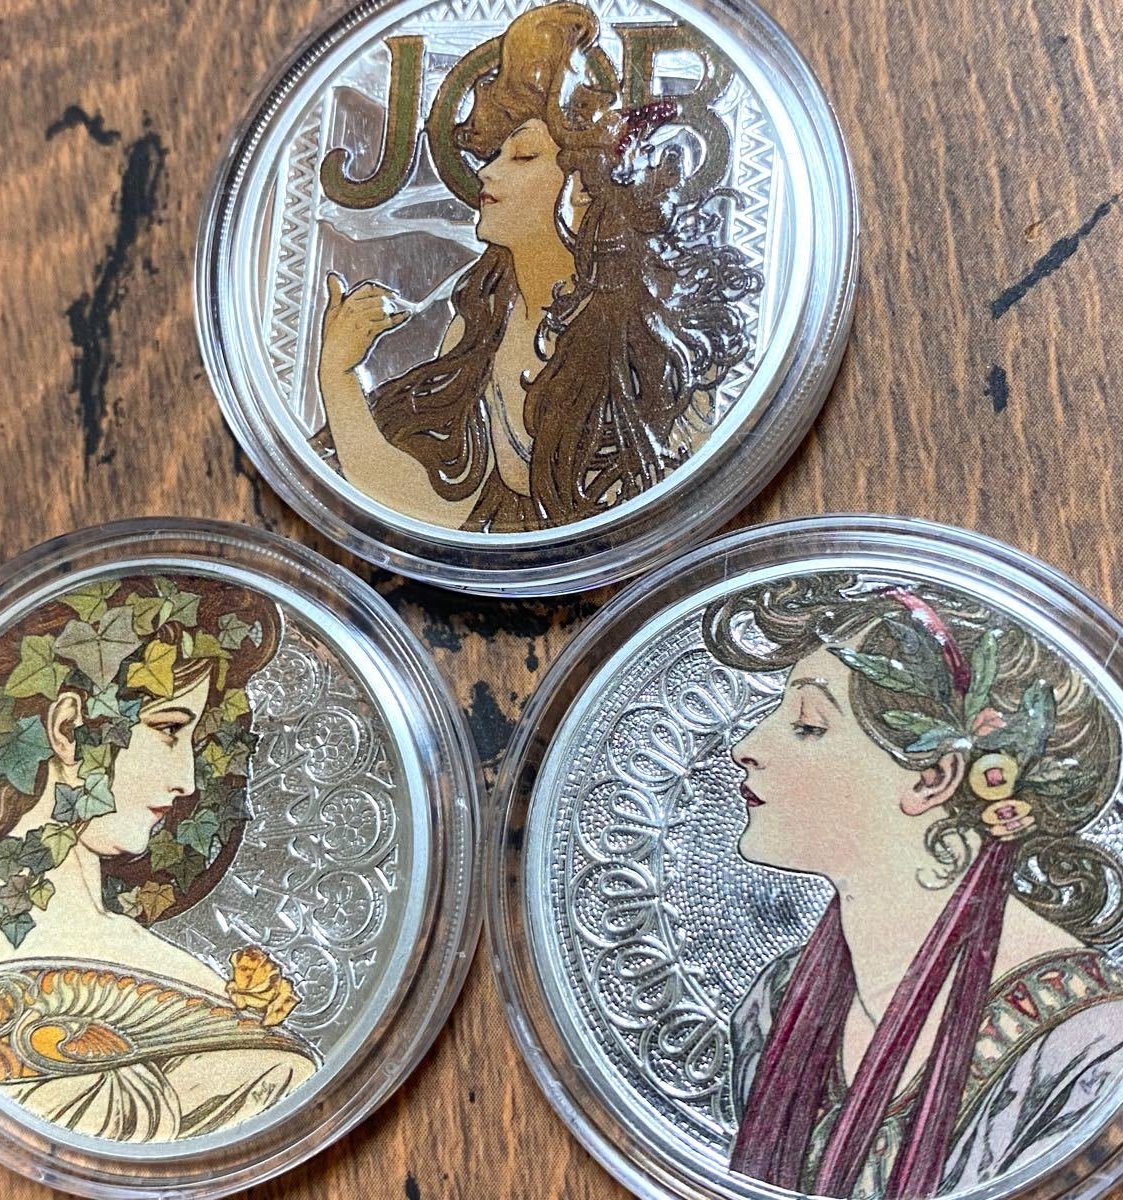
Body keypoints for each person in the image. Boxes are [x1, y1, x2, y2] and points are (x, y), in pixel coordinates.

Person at [703, 574, 1123, 1199]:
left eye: (809, 725)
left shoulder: (1093, 1047)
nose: (746, 747)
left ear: (933, 779)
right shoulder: (775, 1004)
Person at [315, 1, 761, 532]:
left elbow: (662, 504)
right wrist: (338, 374)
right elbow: (437, 510)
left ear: (584, 190)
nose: (487, 174)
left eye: (522, 157)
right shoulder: (483, 320)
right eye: (493, 156)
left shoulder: (650, 338)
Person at [0, 575, 317, 1141]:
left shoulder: (140, 954)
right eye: (168, 729)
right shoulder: (3, 969)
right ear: (68, 729)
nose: (186, 781)